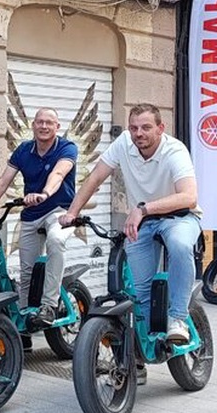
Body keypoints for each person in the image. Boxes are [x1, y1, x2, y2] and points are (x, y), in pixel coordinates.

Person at [59, 103, 201, 384]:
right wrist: (72, 213)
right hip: (144, 223)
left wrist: (144, 209)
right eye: (134, 127)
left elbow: (189, 197)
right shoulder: (124, 144)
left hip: (179, 217)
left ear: (161, 128)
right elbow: (96, 178)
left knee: (181, 245)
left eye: (146, 127)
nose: (139, 133)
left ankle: (178, 318)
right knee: (139, 291)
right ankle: (140, 356)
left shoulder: (174, 151)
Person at [0, 108, 78, 326]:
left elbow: (58, 174)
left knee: (56, 240)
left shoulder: (67, 148)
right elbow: (3, 183)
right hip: (31, 214)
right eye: (39, 122)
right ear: (33, 125)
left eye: (49, 122)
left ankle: (49, 305)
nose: (44, 126)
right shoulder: (23, 150)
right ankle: (23, 320)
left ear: (57, 127)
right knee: (26, 270)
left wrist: (45, 193)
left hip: (59, 210)